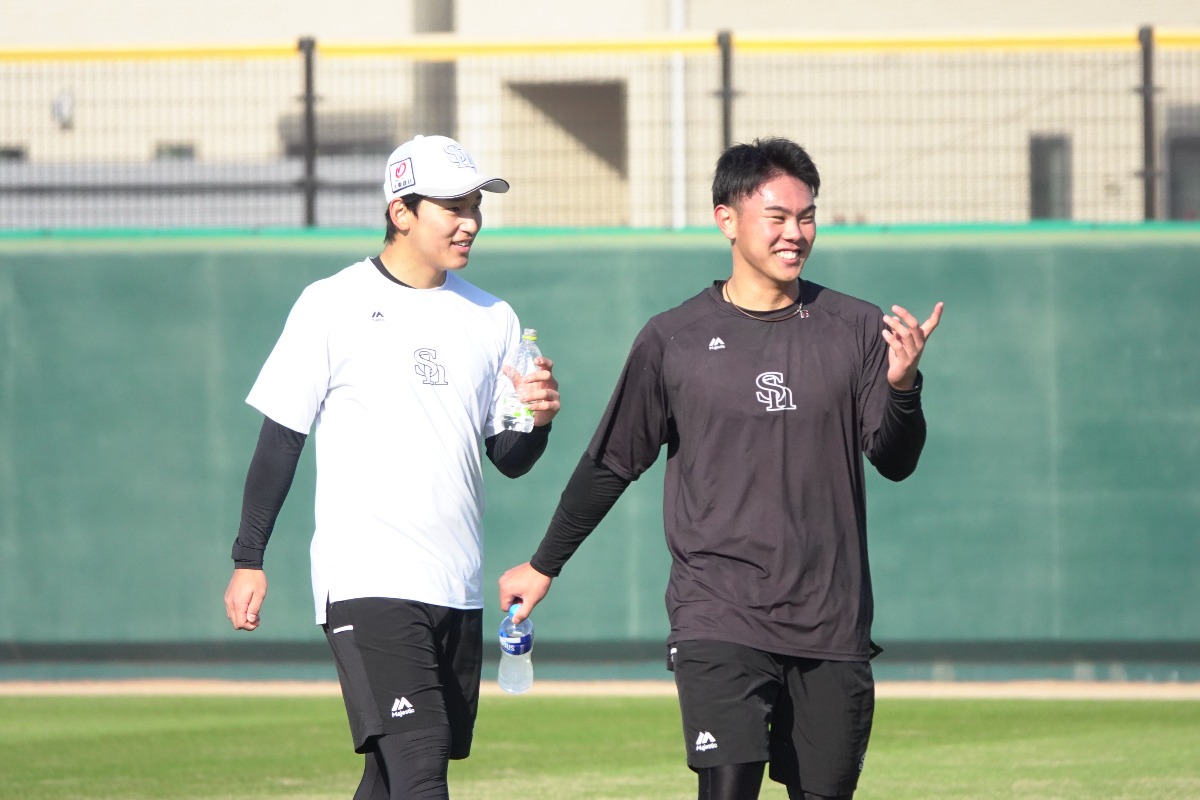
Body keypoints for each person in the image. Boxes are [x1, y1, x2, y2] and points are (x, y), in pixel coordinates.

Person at [499, 137, 943, 800]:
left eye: (807, 216)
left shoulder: (853, 328)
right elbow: (611, 463)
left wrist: (904, 387)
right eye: (778, 217)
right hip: (719, 614)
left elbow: (896, 461)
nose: (796, 233)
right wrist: (543, 565)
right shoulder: (671, 338)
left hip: (831, 621)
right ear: (727, 219)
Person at [223, 134, 560, 800]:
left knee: (388, 775)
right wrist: (248, 556)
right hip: (368, 577)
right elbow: (281, 436)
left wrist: (537, 419)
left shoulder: (492, 316)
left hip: (455, 583)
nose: (470, 222)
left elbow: (510, 458)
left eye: (475, 206)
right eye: (452, 206)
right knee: (419, 758)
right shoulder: (332, 303)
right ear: (401, 210)